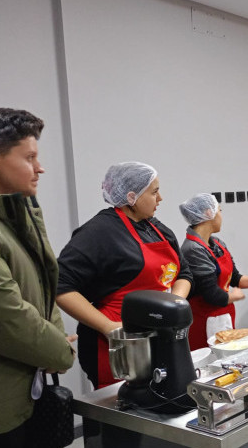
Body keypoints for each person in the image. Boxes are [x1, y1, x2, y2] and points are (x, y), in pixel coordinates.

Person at [0, 108, 76, 445]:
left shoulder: (9, 213)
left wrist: (54, 340)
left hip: (18, 393)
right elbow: (5, 318)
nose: (40, 168)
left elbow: (43, 282)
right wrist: (59, 351)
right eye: (29, 157)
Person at [56, 162, 193, 389]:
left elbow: (184, 273)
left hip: (158, 335)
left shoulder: (156, 228)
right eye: (154, 192)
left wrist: (171, 306)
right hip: (118, 346)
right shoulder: (98, 232)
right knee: (125, 401)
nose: (160, 198)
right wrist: (110, 328)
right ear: (132, 197)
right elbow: (60, 285)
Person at [179, 193, 248, 350]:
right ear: (209, 213)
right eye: (219, 210)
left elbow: (235, 278)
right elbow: (212, 295)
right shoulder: (193, 249)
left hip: (223, 317)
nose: (221, 215)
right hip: (204, 321)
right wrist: (234, 296)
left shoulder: (217, 243)